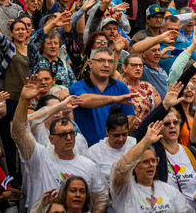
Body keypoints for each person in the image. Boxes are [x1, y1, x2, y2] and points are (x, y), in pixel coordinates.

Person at [12, 76, 108, 213]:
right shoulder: (40, 158)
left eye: (71, 133)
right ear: (51, 139)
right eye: (62, 134)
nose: (68, 138)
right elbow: (18, 132)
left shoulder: (89, 165)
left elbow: (101, 199)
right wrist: (24, 100)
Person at [110, 119, 189, 213]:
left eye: (153, 160)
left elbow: (183, 210)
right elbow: (120, 169)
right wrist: (146, 141)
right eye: (146, 162)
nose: (151, 165)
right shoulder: (124, 190)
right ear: (134, 167)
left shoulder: (168, 190)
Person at [68, 46, 135, 145]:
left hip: (116, 148)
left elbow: (130, 118)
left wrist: (115, 141)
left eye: (110, 61)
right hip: (86, 150)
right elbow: (83, 100)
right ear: (90, 63)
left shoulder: (121, 87)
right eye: (101, 60)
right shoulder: (77, 87)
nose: (106, 65)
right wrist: (115, 99)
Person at [84, 106, 136, 182]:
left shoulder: (134, 144)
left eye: (124, 134)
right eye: (116, 135)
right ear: (107, 132)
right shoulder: (93, 153)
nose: (121, 139)